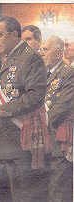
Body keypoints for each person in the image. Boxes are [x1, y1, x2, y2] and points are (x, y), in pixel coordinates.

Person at [0, 16, 47, 202]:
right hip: (9, 141)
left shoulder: (30, 58)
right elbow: (10, 95)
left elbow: (35, 96)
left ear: (14, 35)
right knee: (15, 195)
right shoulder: (10, 58)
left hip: (24, 138)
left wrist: (2, 108)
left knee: (26, 196)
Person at [40, 35, 74, 202]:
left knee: (58, 192)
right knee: (46, 191)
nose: (41, 52)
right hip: (43, 141)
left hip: (59, 140)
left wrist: (36, 123)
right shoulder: (44, 74)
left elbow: (63, 106)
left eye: (45, 49)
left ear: (59, 53)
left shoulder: (69, 73)